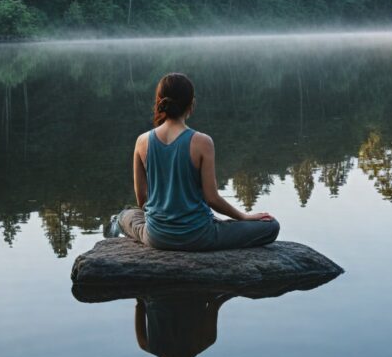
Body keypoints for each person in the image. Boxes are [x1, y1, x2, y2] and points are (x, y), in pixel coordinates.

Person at [112, 72, 279, 251]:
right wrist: (244, 217)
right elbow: (212, 198)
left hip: (156, 237)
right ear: (191, 104)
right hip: (199, 237)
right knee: (271, 226)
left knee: (124, 215)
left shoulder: (142, 141)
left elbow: (142, 200)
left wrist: (165, 217)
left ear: (160, 102)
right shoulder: (203, 142)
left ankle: (117, 222)